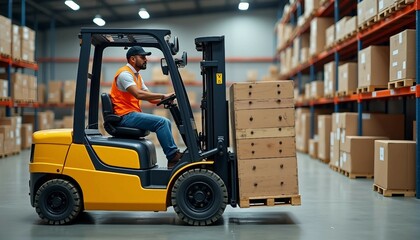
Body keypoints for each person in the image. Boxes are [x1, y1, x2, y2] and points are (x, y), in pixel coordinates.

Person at [110, 46, 182, 168]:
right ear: (132, 59)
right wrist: (162, 95)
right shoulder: (125, 74)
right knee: (161, 122)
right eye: (142, 57)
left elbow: (149, 97)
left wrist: (164, 99)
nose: (146, 60)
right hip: (124, 116)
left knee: (167, 122)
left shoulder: (136, 75)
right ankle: (173, 156)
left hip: (131, 114)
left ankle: (172, 158)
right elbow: (138, 94)